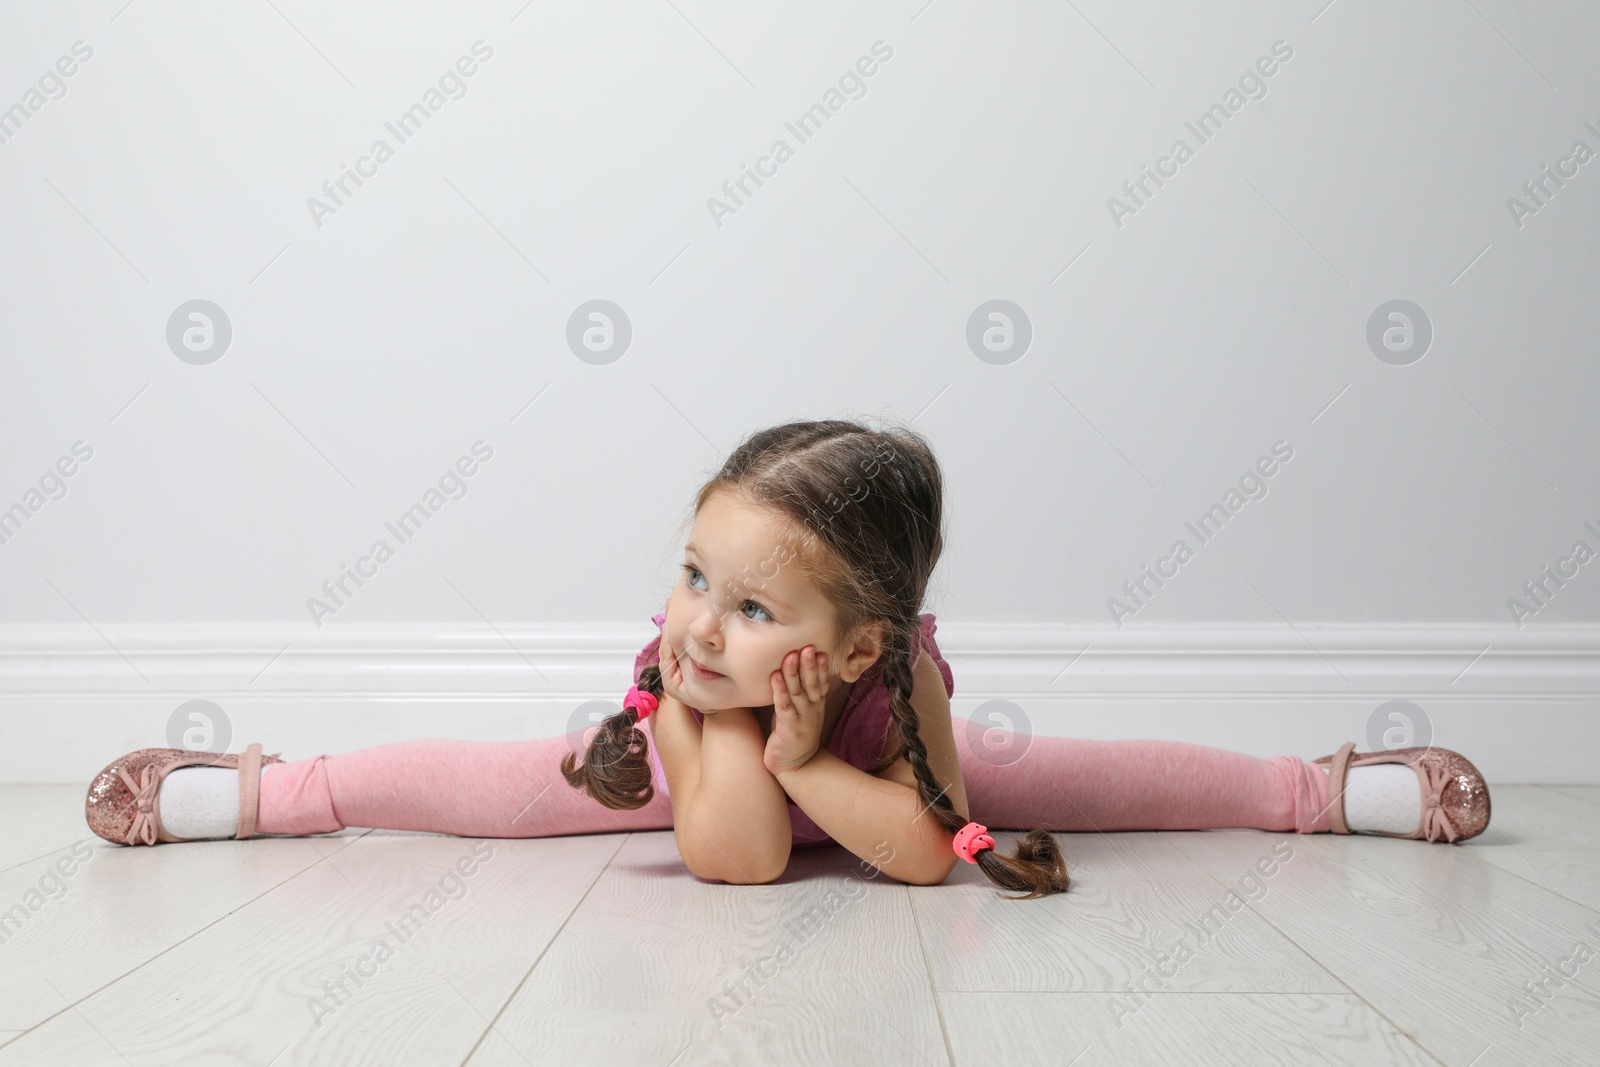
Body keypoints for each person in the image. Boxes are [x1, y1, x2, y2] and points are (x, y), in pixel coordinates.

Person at [85, 419, 1490, 899]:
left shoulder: (905, 681)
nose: (703, 623)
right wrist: (766, 741)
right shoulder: (682, 679)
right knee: (512, 786)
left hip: (861, 765)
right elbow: (742, 865)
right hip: (708, 784)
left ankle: (1318, 792)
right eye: (697, 577)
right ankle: (268, 793)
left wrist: (824, 748)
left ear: (862, 644)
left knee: (1083, 779)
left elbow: (927, 851)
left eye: (751, 609)